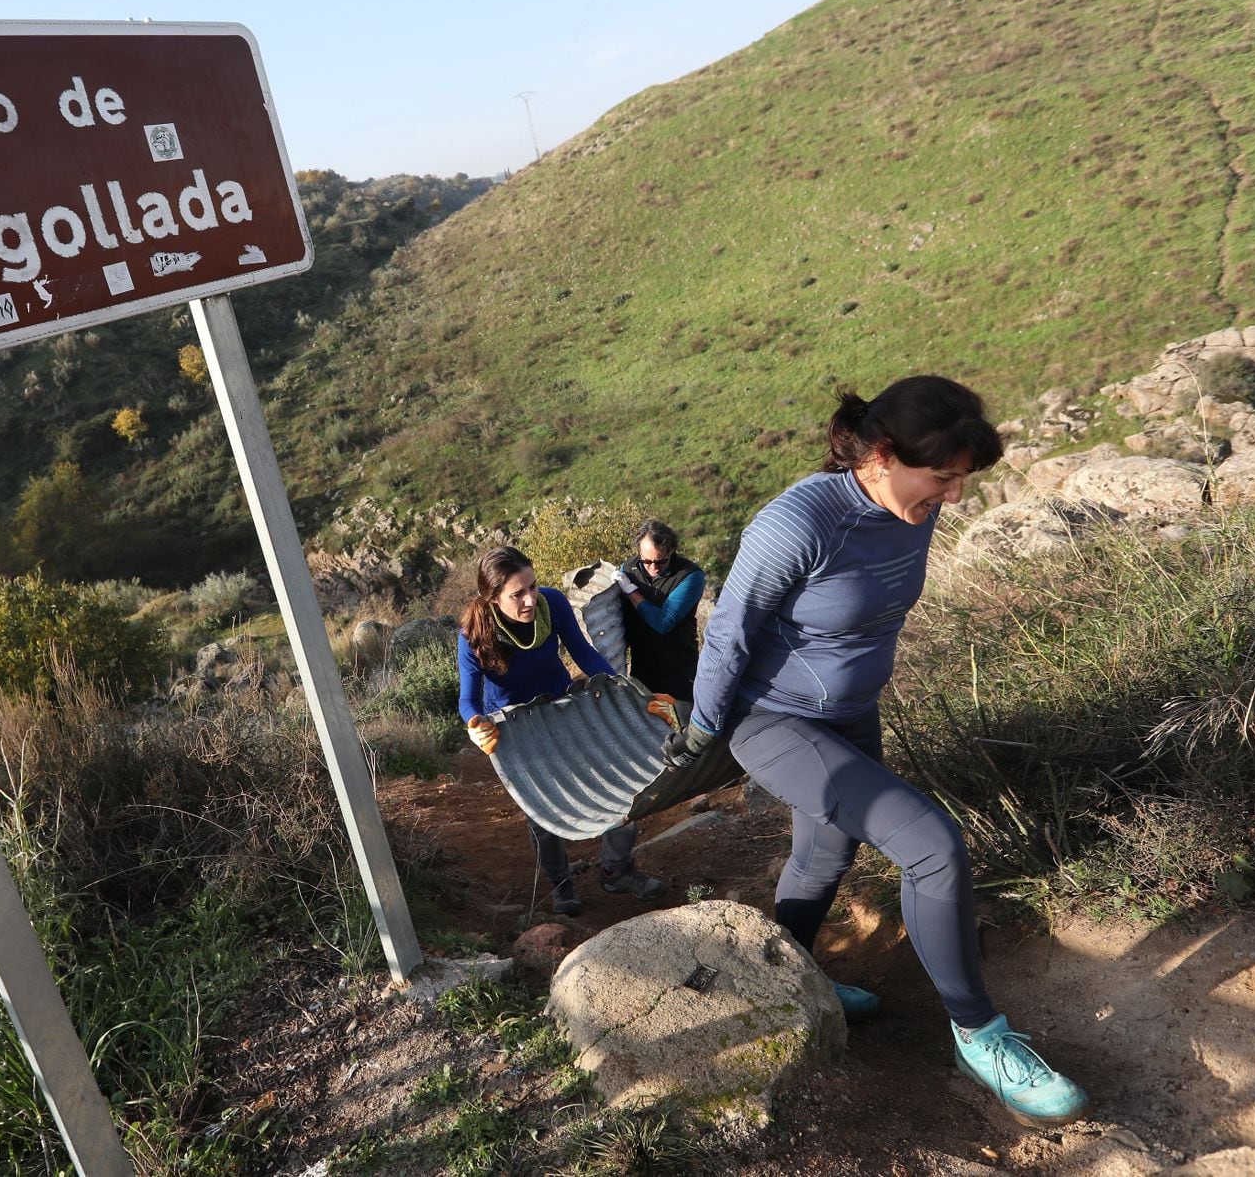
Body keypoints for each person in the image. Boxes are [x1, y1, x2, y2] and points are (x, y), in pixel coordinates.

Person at [663, 376, 1089, 1128]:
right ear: (884, 454)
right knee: (932, 846)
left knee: (824, 858)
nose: (954, 498)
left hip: (851, 715)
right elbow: (730, 632)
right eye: (943, 478)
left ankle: (790, 991)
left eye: (963, 480)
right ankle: (979, 1036)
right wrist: (702, 732)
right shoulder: (798, 523)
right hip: (773, 722)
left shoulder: (910, 506)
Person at [459, 546, 668, 915]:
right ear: (492, 597)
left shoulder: (551, 604)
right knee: (544, 810)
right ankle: (561, 884)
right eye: (517, 594)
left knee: (619, 783)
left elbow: (585, 655)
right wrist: (476, 726)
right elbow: (468, 700)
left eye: (532, 586)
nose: (529, 599)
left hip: (565, 711)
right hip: (517, 730)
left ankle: (616, 870)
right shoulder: (475, 633)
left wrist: (629, 692)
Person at [612, 518, 708, 706]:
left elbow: (663, 622)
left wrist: (631, 591)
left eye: (661, 561)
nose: (653, 568)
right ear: (639, 552)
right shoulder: (628, 570)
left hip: (679, 671)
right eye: (647, 561)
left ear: (671, 551)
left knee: (684, 727)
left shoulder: (690, 576)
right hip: (643, 670)